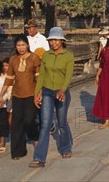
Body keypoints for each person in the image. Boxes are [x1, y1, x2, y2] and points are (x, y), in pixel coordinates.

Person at [30, 27, 75, 168]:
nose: (53, 43)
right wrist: (37, 93)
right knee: (45, 123)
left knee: (62, 122)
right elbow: (42, 75)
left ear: (62, 41)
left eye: (56, 40)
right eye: (51, 40)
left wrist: (62, 89)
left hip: (62, 92)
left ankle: (66, 147)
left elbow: (68, 75)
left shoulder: (68, 56)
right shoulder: (46, 55)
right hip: (48, 91)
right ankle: (39, 157)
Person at [0, 35, 41, 160]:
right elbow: (9, 78)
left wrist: (39, 93)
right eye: (18, 45)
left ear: (27, 45)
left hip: (31, 94)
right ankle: (18, 151)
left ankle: (35, 136)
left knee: (29, 120)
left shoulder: (34, 58)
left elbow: (39, 77)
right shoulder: (13, 59)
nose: (21, 48)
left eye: (23, 45)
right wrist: (1, 94)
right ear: (15, 47)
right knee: (16, 124)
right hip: (16, 94)